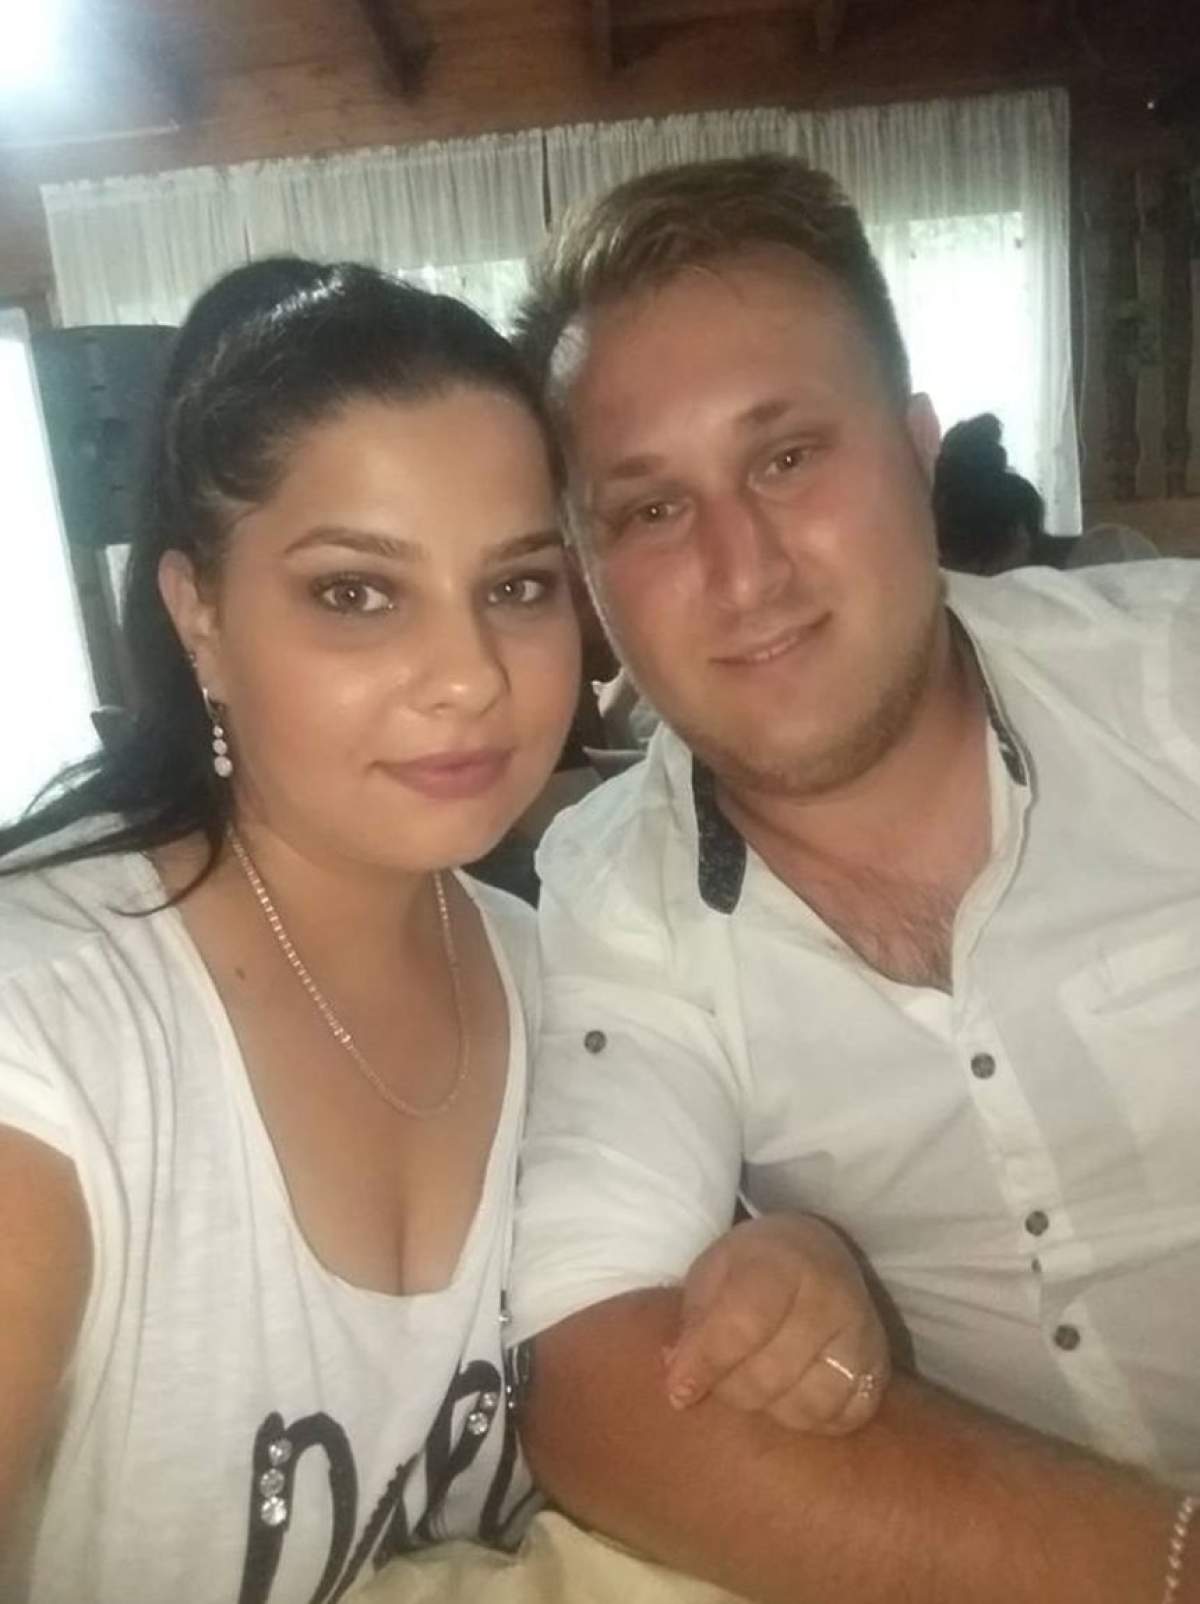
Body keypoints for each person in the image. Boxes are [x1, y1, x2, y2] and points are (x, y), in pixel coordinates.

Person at [0, 257, 888, 1604]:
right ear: (200, 619)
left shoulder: (560, 970)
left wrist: (797, 1271)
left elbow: (668, 1330)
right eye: (357, 593)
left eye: (518, 587)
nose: (470, 676)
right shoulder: (49, 1036)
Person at [505, 155, 1200, 1603]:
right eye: (650, 510)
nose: (742, 568)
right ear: (592, 574)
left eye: (786, 458)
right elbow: (596, 1378)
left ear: (916, 450)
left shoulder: (1173, 685)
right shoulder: (616, 894)